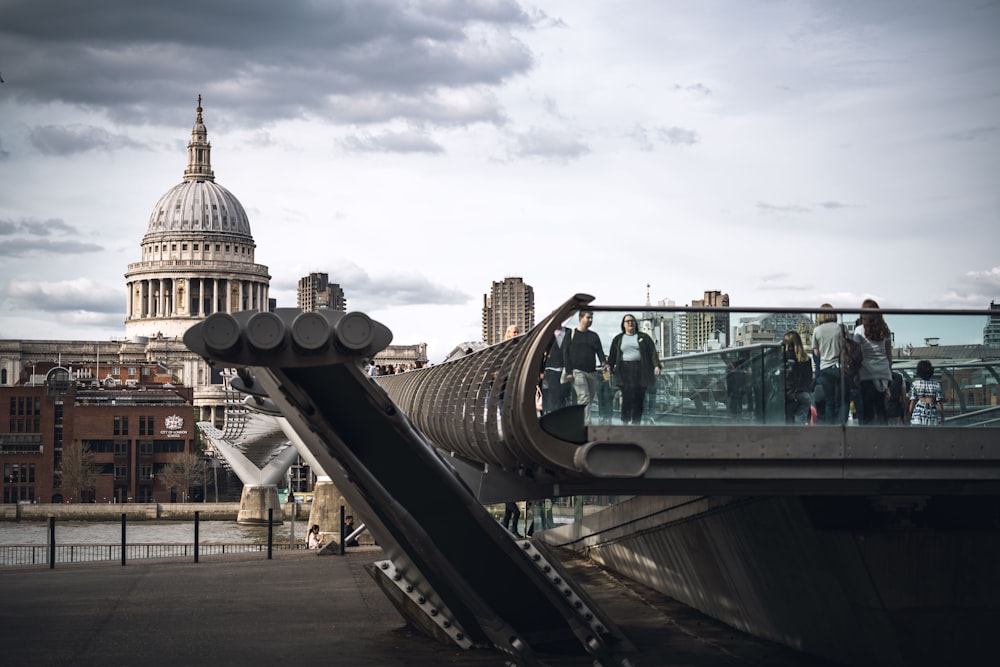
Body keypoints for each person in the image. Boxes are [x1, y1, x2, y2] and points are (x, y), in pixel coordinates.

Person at [608, 314, 662, 425]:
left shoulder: (644, 337)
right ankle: (625, 422)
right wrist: (609, 365)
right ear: (623, 324)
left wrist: (656, 365)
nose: (630, 323)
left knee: (639, 397)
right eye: (627, 321)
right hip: (624, 370)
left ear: (635, 323)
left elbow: (652, 352)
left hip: (641, 370)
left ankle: (636, 423)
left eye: (632, 321)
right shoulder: (618, 339)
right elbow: (612, 355)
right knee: (627, 397)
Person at [563, 310, 608, 425]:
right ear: (580, 318)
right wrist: (569, 371)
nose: (590, 320)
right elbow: (565, 354)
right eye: (588, 317)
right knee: (584, 397)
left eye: (592, 318)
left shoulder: (594, 336)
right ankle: (586, 424)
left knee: (590, 398)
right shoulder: (571, 334)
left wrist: (603, 363)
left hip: (592, 372)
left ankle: (580, 420)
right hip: (577, 371)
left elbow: (600, 352)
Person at [854, 299, 893, 425]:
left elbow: (856, 354)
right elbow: (889, 355)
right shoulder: (885, 331)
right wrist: (889, 372)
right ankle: (884, 440)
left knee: (868, 413)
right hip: (883, 374)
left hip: (867, 374)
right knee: (882, 411)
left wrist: (856, 374)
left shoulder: (859, 331)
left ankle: (869, 441)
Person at [812, 304, 844, 424]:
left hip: (825, 368)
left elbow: (816, 352)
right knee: (840, 402)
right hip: (839, 367)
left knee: (829, 401)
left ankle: (830, 430)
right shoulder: (839, 328)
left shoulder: (817, 330)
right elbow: (844, 348)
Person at [782, 331, 814, 424]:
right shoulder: (807, 358)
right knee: (800, 424)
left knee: (787, 425)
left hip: (789, 395)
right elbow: (809, 377)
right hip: (804, 394)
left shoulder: (783, 357)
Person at [541, 325, 573, 414]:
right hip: (551, 367)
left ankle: (560, 414)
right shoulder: (548, 332)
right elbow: (541, 351)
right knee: (554, 393)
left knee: (563, 394)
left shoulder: (568, 331)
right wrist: (541, 370)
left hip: (565, 368)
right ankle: (553, 414)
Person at [909, 360, 944, 425]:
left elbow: (913, 401)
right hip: (932, 414)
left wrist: (909, 414)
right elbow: (939, 402)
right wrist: (942, 416)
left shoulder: (915, 384)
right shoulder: (936, 385)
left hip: (918, 414)